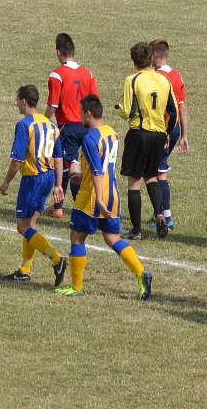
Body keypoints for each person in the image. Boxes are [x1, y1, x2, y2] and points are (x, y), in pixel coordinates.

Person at [55, 96, 150, 299]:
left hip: (92, 196)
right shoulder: (112, 133)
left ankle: (76, 286)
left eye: (81, 113)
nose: (80, 116)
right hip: (112, 193)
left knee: (77, 237)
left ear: (88, 113)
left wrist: (97, 198)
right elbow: (103, 167)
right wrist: (82, 174)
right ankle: (142, 274)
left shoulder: (90, 138)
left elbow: (97, 171)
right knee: (112, 237)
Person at [0, 85, 67, 285]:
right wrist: (58, 185)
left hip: (33, 180)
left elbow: (17, 160)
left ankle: (56, 259)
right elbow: (59, 157)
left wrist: (6, 182)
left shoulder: (24, 125)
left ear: (24, 101)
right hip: (49, 178)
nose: (15, 103)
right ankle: (25, 269)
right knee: (31, 225)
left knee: (22, 226)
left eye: (17, 99)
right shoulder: (51, 125)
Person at [118, 42, 177, 239]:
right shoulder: (164, 80)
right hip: (159, 135)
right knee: (152, 177)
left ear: (134, 61)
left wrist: (120, 108)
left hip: (139, 133)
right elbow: (173, 111)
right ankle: (160, 215)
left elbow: (126, 111)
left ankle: (136, 230)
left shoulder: (132, 80)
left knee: (134, 182)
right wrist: (167, 132)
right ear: (151, 58)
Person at [45, 32, 98, 215]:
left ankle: (78, 209)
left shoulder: (57, 75)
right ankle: (60, 207)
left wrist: (44, 121)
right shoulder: (87, 73)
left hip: (68, 127)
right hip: (88, 126)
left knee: (69, 168)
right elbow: (95, 100)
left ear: (58, 52)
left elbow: (53, 104)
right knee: (84, 167)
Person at [150, 39, 189, 234]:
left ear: (156, 55)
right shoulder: (177, 76)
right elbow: (182, 106)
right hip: (174, 130)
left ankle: (166, 216)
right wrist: (184, 134)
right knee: (159, 169)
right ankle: (160, 212)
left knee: (158, 173)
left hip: (160, 129)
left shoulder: (155, 76)